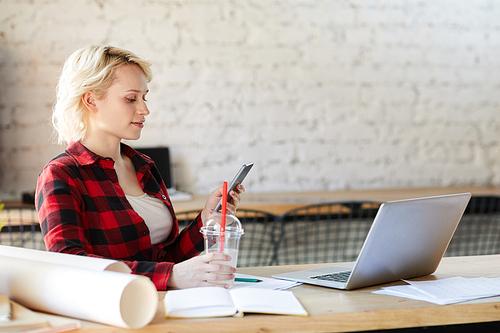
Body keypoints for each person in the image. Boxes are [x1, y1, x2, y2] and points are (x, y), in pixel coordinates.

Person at [35, 45, 244, 291]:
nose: (145, 109)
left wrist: (205, 221)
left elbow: (164, 258)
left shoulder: (144, 166)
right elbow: (68, 265)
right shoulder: (62, 174)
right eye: (131, 98)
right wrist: (171, 276)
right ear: (91, 100)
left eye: (144, 97)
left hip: (166, 304)